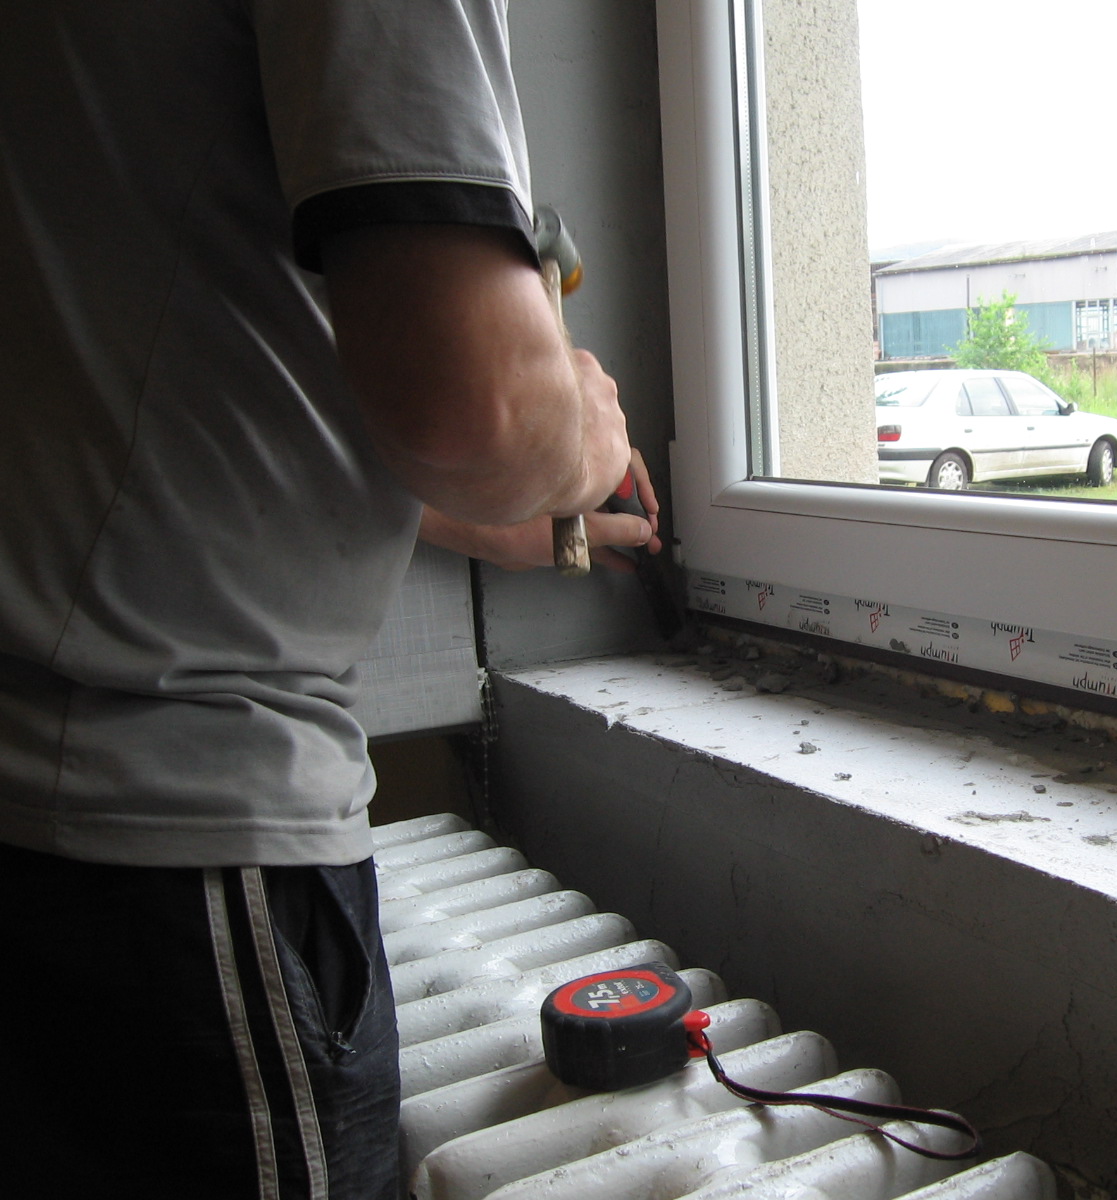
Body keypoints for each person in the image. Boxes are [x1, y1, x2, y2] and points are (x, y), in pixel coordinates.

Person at [0, 2, 657, 1196]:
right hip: (169, 835)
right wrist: (580, 429)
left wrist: (465, 513)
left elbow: (138, 365)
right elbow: (481, 408)